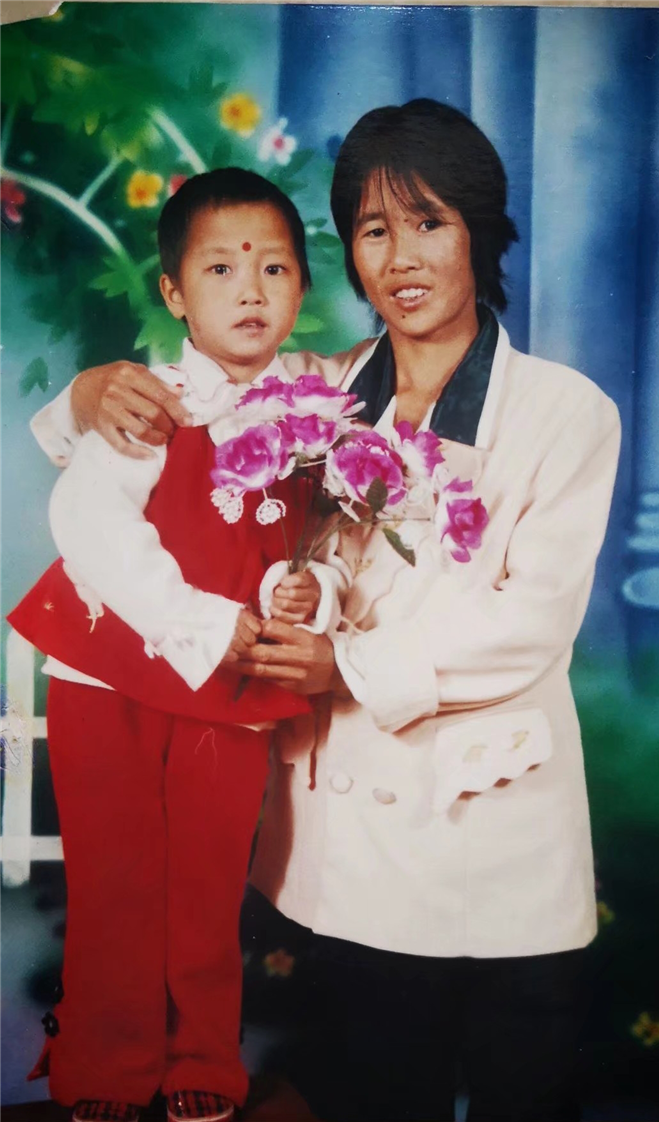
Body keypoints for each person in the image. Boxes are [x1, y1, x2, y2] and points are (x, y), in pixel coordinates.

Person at [28, 101, 621, 1122]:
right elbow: (186, 398)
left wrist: (342, 663)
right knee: (371, 1088)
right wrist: (81, 398)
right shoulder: (315, 387)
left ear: (478, 229)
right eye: (373, 229)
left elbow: (531, 621)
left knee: (522, 1087)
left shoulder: (565, 411)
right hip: (348, 853)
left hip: (487, 829)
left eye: (429, 221)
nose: (402, 256)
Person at [9, 168, 349, 1122]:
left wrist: (307, 593)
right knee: (116, 874)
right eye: (221, 269)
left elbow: (325, 543)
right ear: (174, 293)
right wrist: (197, 619)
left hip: (227, 679)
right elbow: (90, 522)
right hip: (111, 668)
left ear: (301, 290)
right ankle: (106, 1062)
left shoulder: (318, 414)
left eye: (274, 268)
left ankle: (202, 1053)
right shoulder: (147, 399)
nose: (250, 290)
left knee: (206, 876)